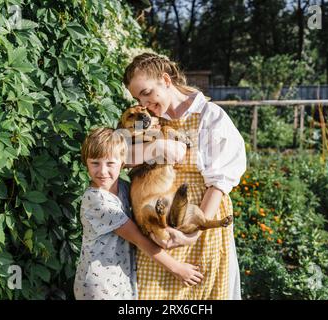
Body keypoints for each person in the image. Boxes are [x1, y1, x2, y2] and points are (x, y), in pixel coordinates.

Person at [123, 53, 246, 300]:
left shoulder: (210, 117)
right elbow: (118, 155)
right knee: (151, 295)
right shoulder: (148, 120)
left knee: (200, 295)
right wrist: (155, 149)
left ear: (166, 80)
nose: (143, 103)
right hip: (159, 219)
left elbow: (219, 184)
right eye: (138, 98)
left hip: (201, 214)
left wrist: (193, 233)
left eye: (147, 93)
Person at [73, 127, 203, 300]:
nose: (103, 171)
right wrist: (177, 268)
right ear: (86, 162)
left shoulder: (124, 188)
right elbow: (139, 239)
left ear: (123, 162)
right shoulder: (97, 200)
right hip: (99, 284)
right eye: (95, 163)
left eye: (110, 163)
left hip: (120, 277)